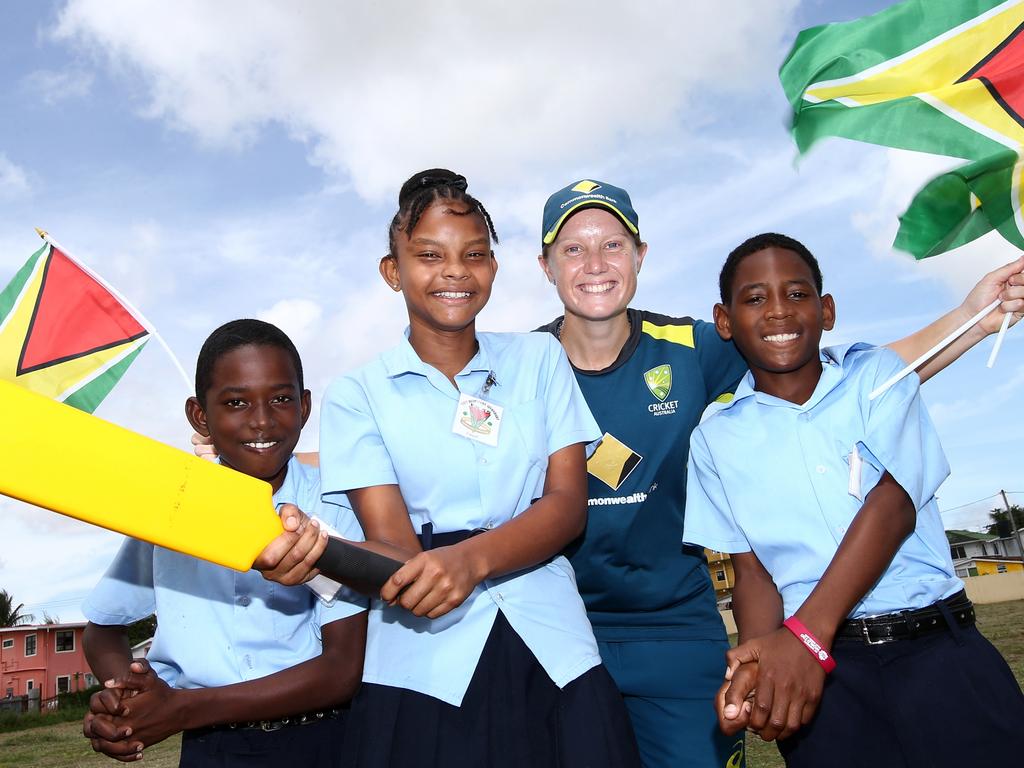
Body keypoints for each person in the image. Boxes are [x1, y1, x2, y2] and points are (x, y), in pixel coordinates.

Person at [534, 180, 1024, 768]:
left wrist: (971, 319)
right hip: (564, 626)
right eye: (572, 249)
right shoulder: (519, 367)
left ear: (640, 255)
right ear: (545, 265)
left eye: (612, 245)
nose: (594, 264)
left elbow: (843, 377)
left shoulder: (693, 345)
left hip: (675, 625)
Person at [263, 169, 640, 767]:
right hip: (425, 664)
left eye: (474, 255)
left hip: (554, 646)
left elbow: (567, 506)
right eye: (429, 255)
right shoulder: (358, 394)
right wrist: (319, 552)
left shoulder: (539, 359)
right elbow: (391, 544)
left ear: (493, 267)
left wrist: (471, 560)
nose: (455, 272)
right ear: (394, 271)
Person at [682, 233, 1024, 767]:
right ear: (724, 321)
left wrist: (804, 640)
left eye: (797, 294)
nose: (777, 311)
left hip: (938, 654)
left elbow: (893, 505)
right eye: (754, 298)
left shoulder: (880, 380)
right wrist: (759, 660)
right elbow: (752, 574)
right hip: (825, 684)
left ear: (827, 310)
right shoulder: (714, 438)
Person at [81, 319, 368, 767]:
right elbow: (102, 629)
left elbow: (341, 671)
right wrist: (130, 699)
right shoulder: (169, 512)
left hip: (321, 740)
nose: (261, 420)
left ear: (305, 406)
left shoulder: (334, 506)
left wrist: (181, 708)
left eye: (281, 399)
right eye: (236, 402)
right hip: (210, 750)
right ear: (201, 416)